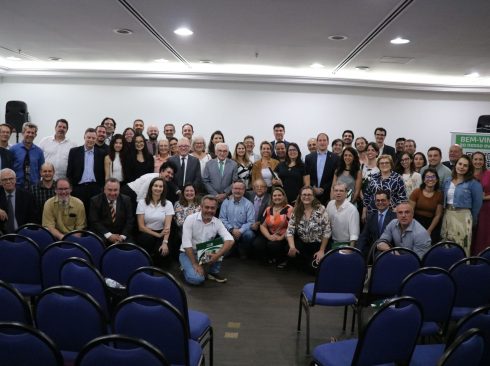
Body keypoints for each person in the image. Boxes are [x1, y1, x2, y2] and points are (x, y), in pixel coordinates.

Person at [179, 195, 234, 285]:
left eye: (212, 208)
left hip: (204, 252)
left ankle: (213, 272)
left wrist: (217, 255)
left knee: (225, 242)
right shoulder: (190, 219)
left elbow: (230, 240)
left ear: (216, 209)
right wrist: (195, 264)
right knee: (197, 280)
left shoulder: (217, 222)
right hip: (187, 253)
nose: (209, 210)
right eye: (207, 207)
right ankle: (184, 268)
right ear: (201, 207)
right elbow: (186, 244)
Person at [441, 155, 483, 255]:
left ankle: (462, 268)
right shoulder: (447, 181)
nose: (461, 167)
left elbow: (477, 205)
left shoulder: (474, 183)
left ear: (469, 168)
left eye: (465, 165)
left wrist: (472, 219)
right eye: (460, 164)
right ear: (456, 165)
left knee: (462, 245)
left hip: (463, 217)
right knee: (445, 243)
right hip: (447, 214)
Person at [286, 186, 331, 273]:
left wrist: (321, 250)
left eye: (309, 194)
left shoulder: (321, 209)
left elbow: (327, 231)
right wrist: (292, 247)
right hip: (303, 244)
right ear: (300, 196)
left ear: (313, 196)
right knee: (288, 248)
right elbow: (290, 230)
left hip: (318, 245)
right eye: (304, 194)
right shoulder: (296, 210)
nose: (306, 197)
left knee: (313, 269)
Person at [66, 128, 106, 214]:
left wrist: (101, 188)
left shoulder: (101, 153)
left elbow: (103, 172)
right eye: (88, 137)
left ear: (96, 139)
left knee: (94, 213)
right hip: (78, 188)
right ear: (84, 137)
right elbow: (69, 172)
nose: (91, 140)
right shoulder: (74, 151)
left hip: (95, 188)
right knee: (78, 212)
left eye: (93, 138)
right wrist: (71, 188)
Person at [136, 177, 174, 262]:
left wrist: (165, 242)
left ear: (163, 189)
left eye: (161, 186)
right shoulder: (142, 203)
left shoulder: (168, 204)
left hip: (162, 233)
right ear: (151, 187)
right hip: (147, 232)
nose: (158, 188)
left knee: (163, 254)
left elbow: (167, 227)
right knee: (146, 242)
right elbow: (141, 227)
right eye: (155, 186)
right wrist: (158, 235)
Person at [253, 186, 292, 267]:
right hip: (270, 234)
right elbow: (262, 225)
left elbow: (291, 227)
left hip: (284, 236)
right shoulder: (268, 209)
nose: (277, 197)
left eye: (279, 195)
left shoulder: (289, 209)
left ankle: (282, 260)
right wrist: (269, 236)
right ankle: (268, 258)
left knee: (273, 245)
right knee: (257, 243)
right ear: (272, 197)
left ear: (283, 196)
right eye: (274, 196)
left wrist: (281, 237)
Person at [89, 178, 134, 245]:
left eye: (115, 190)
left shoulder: (126, 200)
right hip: (103, 234)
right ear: (104, 190)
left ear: (119, 190)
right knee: (98, 245)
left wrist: (122, 236)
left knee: (130, 247)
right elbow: (94, 221)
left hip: (121, 234)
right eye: (110, 190)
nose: (113, 193)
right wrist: (109, 235)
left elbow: (130, 220)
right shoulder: (95, 201)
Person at [362, 154, 407, 221]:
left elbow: (403, 198)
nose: (384, 164)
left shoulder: (398, 178)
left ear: (391, 164)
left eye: (387, 163)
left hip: (391, 212)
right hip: (373, 211)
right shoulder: (373, 177)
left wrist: (396, 209)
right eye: (381, 163)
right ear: (378, 165)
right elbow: (367, 195)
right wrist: (364, 211)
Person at [219, 180, 255, 258]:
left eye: (240, 189)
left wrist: (240, 231)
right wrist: (231, 229)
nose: (237, 191)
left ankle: (242, 247)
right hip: (229, 230)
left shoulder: (249, 204)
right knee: (223, 254)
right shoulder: (226, 202)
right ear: (232, 190)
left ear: (244, 190)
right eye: (235, 188)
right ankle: (232, 247)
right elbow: (222, 218)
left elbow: (250, 221)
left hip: (242, 232)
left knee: (249, 235)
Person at [356, 190, 396, 259]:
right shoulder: (371, 217)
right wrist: (358, 251)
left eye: (383, 200)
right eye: (378, 200)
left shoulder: (394, 217)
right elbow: (363, 236)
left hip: (388, 251)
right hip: (372, 251)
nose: (380, 202)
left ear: (389, 201)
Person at [409, 168, 443, 244]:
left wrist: (429, 230)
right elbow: (410, 211)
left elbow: (438, 215)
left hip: (432, 224)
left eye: (433, 177)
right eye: (427, 177)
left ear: (437, 179)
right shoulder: (416, 192)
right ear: (424, 180)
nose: (430, 179)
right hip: (416, 221)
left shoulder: (439, 195)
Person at [304, 133, 339, 205]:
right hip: (312, 194)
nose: (322, 142)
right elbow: (307, 175)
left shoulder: (335, 158)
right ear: (317, 142)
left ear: (328, 142)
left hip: (328, 194)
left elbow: (334, 177)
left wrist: (324, 188)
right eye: (320, 140)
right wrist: (313, 187)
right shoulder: (309, 157)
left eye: (324, 140)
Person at [0, 168, 38, 233]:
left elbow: (34, 220)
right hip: (2, 236)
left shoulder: (27, 196)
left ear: (15, 180)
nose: (8, 181)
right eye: (4, 180)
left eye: (11, 179)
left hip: (24, 234)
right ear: (0, 182)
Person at [10, 122, 45, 190]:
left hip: (34, 187)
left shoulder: (39, 152)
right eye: (28, 132)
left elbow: (41, 170)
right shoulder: (13, 149)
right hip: (17, 186)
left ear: (35, 135)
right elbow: (10, 168)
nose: (30, 134)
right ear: (23, 133)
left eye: (32, 133)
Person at [326, 182, 360, 247]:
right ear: (333, 192)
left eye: (341, 191)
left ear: (346, 193)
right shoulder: (330, 204)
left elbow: (354, 234)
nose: (338, 193)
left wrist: (350, 250)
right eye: (336, 190)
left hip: (346, 244)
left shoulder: (352, 210)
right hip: (330, 241)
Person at [472, 151, 490, 255]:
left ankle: (482, 259)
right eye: (475, 159)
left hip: (485, 210)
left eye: (480, 159)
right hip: (470, 209)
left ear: (484, 161)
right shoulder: (467, 174)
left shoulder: (488, 174)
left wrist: (482, 198)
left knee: (482, 236)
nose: (478, 161)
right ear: (472, 160)